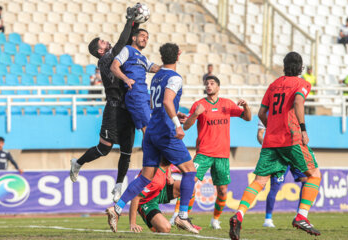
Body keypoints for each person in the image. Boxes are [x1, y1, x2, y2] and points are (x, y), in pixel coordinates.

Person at [105, 43, 199, 234]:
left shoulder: (157, 76)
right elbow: (166, 101)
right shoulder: (174, 77)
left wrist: (175, 113)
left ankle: (116, 207)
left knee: (146, 176)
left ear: (161, 57)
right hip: (165, 132)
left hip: (151, 131)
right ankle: (182, 216)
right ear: (178, 55)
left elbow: (156, 102)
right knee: (190, 172)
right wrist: (177, 124)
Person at [229, 52, 322, 240]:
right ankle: (301, 216)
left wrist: (273, 127)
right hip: (291, 137)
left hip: (271, 140)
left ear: (284, 66)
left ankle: (239, 214)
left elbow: (262, 113)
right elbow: (297, 101)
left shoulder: (273, 85)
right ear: (301, 68)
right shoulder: (301, 84)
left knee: (259, 181)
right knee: (314, 175)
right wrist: (303, 129)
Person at [70, 6, 139, 202]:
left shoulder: (113, 57)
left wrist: (136, 23)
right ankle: (78, 163)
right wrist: (129, 20)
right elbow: (120, 43)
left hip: (128, 109)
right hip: (114, 108)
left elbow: (126, 42)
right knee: (104, 149)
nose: (106, 41)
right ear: (100, 50)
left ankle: (118, 185)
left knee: (127, 150)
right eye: (102, 42)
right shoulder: (105, 60)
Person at [169, 75, 251, 229]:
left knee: (222, 190)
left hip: (222, 155)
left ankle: (215, 219)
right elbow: (185, 127)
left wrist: (246, 107)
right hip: (204, 153)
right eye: (207, 83)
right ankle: (178, 216)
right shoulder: (198, 104)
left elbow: (247, 118)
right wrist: (195, 114)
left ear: (218, 87)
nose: (209, 86)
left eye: (212, 83)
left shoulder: (227, 104)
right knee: (189, 182)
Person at [257, 119, 307, 228]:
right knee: (275, 186)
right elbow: (260, 134)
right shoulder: (267, 112)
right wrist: (267, 144)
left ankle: (300, 216)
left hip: (293, 153)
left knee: (306, 180)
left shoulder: (291, 111)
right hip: (279, 156)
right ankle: (268, 219)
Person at [111, 28, 161, 135]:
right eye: (142, 36)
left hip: (145, 94)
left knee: (153, 128)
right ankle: (152, 152)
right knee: (148, 130)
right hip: (135, 94)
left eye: (147, 37)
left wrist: (170, 62)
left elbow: (155, 68)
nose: (145, 39)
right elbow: (114, 67)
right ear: (134, 38)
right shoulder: (128, 50)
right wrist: (125, 78)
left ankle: (151, 151)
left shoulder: (143, 58)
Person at [129, 159, 200, 233]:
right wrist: (132, 223)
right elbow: (135, 197)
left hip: (161, 188)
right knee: (165, 228)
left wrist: (169, 176)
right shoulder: (153, 174)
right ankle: (155, 223)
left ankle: (181, 217)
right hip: (147, 201)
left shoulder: (164, 158)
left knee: (189, 188)